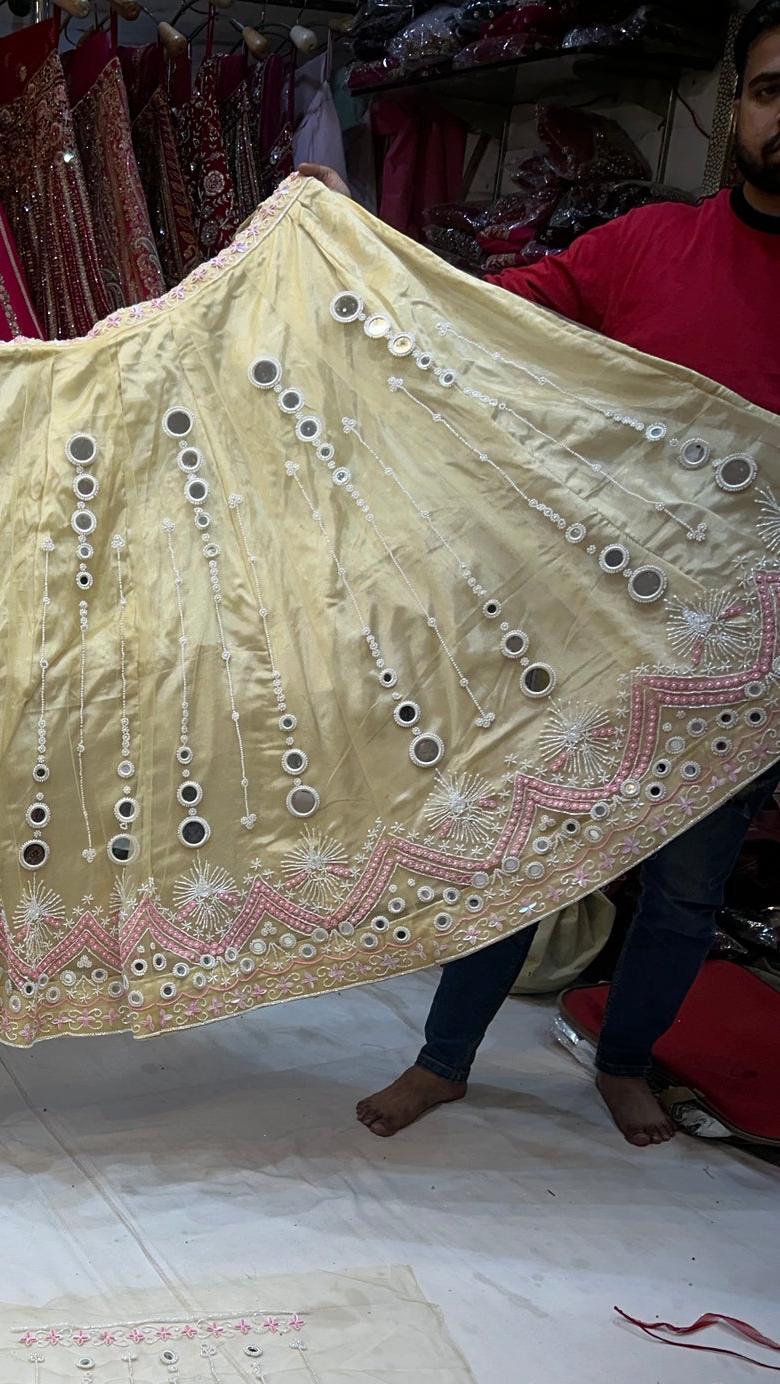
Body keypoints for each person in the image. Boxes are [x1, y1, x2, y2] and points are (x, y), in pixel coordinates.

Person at [299, 0, 780, 1147]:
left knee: (681, 889)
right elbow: (490, 322)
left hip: (755, 661)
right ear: (733, 107)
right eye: (770, 90)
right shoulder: (645, 247)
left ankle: (624, 1062)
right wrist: (351, 267)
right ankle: (443, 1061)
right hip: (605, 624)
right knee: (521, 846)